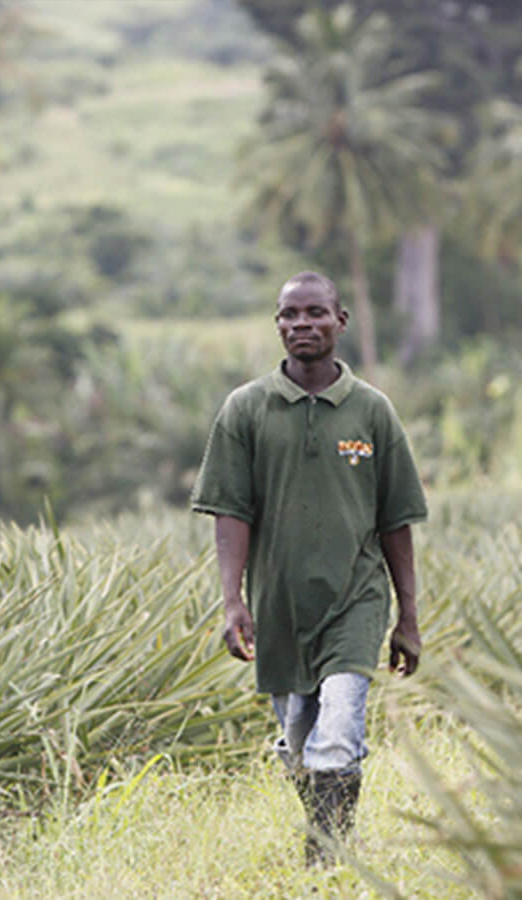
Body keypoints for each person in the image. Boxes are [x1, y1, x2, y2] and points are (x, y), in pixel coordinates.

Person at [190, 270, 427, 865]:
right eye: (290, 315)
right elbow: (230, 512)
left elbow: (396, 519)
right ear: (277, 324)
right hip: (278, 605)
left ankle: (325, 862)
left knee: (339, 733)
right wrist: (232, 601)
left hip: (356, 600)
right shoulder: (245, 409)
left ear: (340, 322)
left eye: (316, 313)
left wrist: (408, 616)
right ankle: (327, 829)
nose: (302, 325)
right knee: (300, 745)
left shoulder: (372, 412)